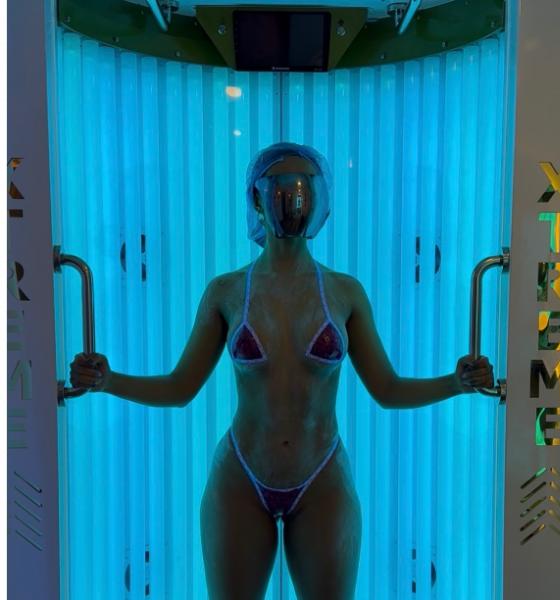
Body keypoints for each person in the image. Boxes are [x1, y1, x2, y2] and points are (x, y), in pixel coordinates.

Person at [70, 141, 494, 600]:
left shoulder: (345, 293)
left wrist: (456, 383)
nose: (292, 199)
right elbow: (180, 387)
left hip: (322, 477)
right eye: (279, 188)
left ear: (319, 199)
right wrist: (108, 381)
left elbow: (387, 389)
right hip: (241, 476)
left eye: (303, 188)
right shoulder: (226, 292)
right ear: (256, 198)